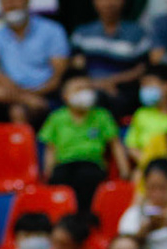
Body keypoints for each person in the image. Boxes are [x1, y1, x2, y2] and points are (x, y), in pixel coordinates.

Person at [37, 77, 130, 214]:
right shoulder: (57, 118)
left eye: (88, 89)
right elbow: (50, 149)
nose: (85, 93)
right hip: (64, 164)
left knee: (87, 177)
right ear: (65, 96)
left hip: (91, 164)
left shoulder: (102, 116)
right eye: (79, 89)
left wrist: (125, 171)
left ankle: (85, 218)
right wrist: (48, 173)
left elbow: (116, 145)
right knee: (59, 179)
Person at [70, 0, 152, 114]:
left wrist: (113, 81)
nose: (109, 2)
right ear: (94, 1)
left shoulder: (137, 33)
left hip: (124, 91)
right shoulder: (82, 34)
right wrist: (99, 85)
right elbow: (76, 66)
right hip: (90, 88)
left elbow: (142, 68)